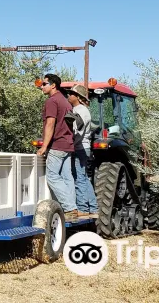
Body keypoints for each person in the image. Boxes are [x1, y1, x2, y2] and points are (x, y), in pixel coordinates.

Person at [37, 74, 78, 221]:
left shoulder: (52, 101)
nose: (41, 86)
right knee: (67, 178)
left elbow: (50, 124)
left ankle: (69, 208)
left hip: (58, 145)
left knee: (53, 177)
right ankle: (72, 208)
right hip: (68, 144)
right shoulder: (65, 102)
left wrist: (44, 146)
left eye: (44, 84)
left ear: (53, 85)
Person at [66, 84, 98, 219]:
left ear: (78, 97)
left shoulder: (81, 111)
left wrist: (71, 145)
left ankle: (83, 208)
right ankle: (93, 208)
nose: (69, 96)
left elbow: (78, 132)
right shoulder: (78, 110)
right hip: (81, 147)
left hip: (80, 148)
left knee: (79, 178)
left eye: (71, 94)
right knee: (83, 177)